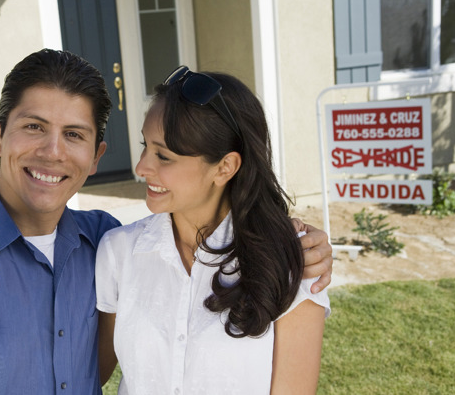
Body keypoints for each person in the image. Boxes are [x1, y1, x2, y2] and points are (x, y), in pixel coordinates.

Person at [0, 50, 332, 394]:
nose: (53, 152)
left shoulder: (103, 241)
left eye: (74, 135)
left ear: (96, 155)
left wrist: (291, 241)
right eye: (33, 127)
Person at [96, 67, 331, 394]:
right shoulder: (118, 251)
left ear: (225, 167)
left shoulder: (294, 262)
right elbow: (91, 373)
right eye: (145, 146)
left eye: (163, 156)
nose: (141, 168)